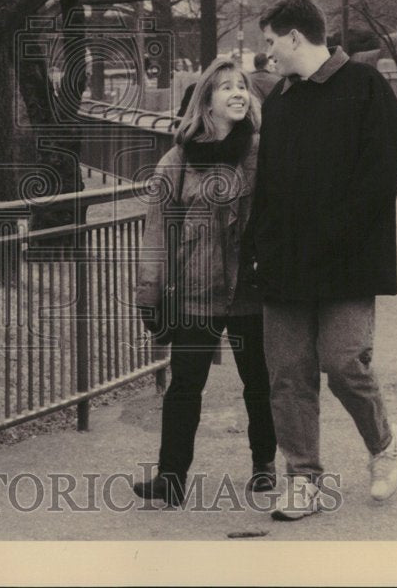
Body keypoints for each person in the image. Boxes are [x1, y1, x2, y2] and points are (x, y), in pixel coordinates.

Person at [244, 0, 397, 520]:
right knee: (288, 374)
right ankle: (304, 479)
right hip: (285, 264)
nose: (265, 53)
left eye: (270, 41)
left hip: (347, 261)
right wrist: (259, 249)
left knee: (342, 363)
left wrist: (337, 236)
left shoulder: (365, 88)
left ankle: (383, 444)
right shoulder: (282, 103)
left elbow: (380, 177)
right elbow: (266, 188)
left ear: (295, 37)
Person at [133, 57, 277, 507]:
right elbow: (157, 232)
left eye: (243, 87)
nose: (238, 93)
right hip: (196, 290)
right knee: (185, 385)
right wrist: (150, 294)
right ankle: (171, 478)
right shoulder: (176, 161)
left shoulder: (265, 152)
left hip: (253, 290)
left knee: (260, 383)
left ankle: (264, 467)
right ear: (206, 101)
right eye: (226, 87)